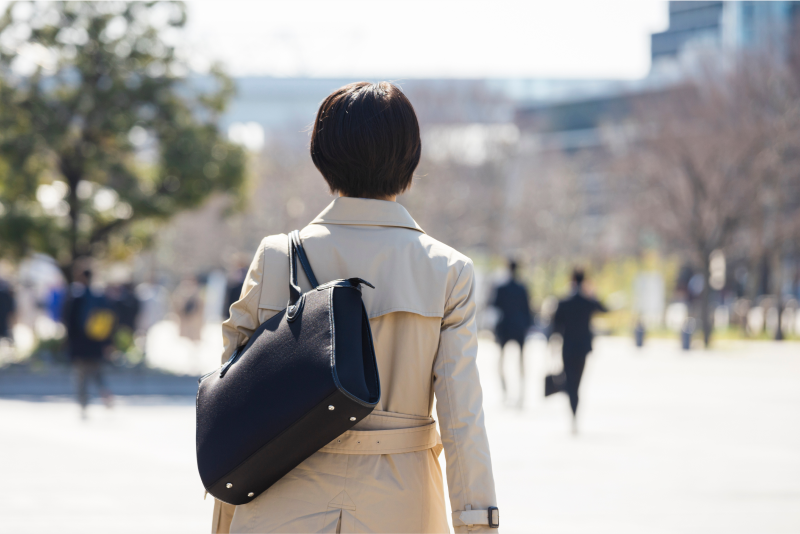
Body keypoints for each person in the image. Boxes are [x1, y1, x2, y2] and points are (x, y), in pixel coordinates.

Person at [213, 82, 499, 534]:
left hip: (281, 500)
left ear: (322, 157)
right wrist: (476, 522)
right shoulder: (448, 271)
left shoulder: (276, 258)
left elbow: (236, 405)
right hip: (401, 507)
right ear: (410, 158)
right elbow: (462, 419)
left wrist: (226, 518)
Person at [552, 268, 607, 433]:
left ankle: (573, 411)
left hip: (567, 347)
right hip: (582, 348)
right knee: (577, 382)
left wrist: (552, 346)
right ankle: (575, 412)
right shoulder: (587, 301)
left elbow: (555, 326)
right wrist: (592, 293)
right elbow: (604, 309)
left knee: (570, 382)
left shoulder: (563, 302)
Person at [63, 268, 115, 417]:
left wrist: (67, 343)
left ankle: (83, 405)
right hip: (96, 343)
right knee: (98, 374)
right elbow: (109, 321)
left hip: (79, 344)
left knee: (80, 376)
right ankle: (106, 395)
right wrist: (107, 342)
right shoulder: (100, 297)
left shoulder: (75, 297)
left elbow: (68, 322)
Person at [490, 258, 532, 407]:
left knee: (501, 361)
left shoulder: (501, 287)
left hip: (505, 327)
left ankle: (505, 392)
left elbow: (494, 304)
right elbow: (528, 309)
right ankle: (521, 393)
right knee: (521, 361)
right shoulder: (522, 287)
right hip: (519, 327)